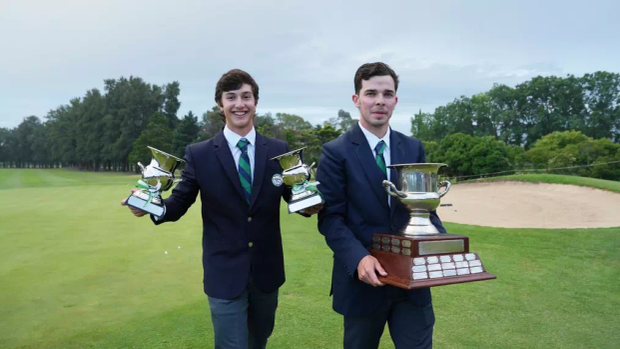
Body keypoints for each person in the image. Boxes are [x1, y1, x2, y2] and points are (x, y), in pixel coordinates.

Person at [122, 69, 320, 349]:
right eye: (231, 97)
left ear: (255, 102)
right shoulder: (199, 154)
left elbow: (293, 195)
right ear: (220, 104)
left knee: (258, 341)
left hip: (266, 272)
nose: (239, 104)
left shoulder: (277, 150)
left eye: (246, 96)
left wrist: (310, 206)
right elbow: (179, 203)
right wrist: (151, 206)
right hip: (224, 273)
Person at [316, 62, 447, 349]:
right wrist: (359, 258)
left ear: (395, 101)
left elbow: (426, 212)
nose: (379, 101)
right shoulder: (335, 152)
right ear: (357, 99)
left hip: (413, 284)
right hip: (364, 284)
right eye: (371, 93)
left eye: (387, 94)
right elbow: (331, 219)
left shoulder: (413, 147)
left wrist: (443, 245)